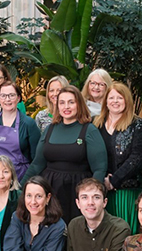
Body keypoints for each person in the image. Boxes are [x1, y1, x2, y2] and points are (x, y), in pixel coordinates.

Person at [23, 86, 107, 223]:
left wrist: (91, 197)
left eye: (71, 102)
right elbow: (37, 164)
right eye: (62, 103)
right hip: (50, 191)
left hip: (77, 192)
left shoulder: (89, 130)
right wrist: (20, 188)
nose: (66, 107)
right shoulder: (50, 129)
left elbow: (99, 168)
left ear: (79, 104)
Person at [94, 82, 142, 233]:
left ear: (127, 101)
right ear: (105, 101)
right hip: (102, 191)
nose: (115, 101)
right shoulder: (96, 124)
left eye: (120, 98)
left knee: (125, 233)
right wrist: (102, 180)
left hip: (126, 192)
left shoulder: (137, 125)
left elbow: (137, 158)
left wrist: (113, 180)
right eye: (111, 97)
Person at [0, 81, 40, 180]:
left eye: (11, 95)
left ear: (18, 98)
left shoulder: (28, 124)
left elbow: (36, 159)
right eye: (3, 95)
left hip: (18, 179)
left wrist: (24, 184)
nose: (7, 99)